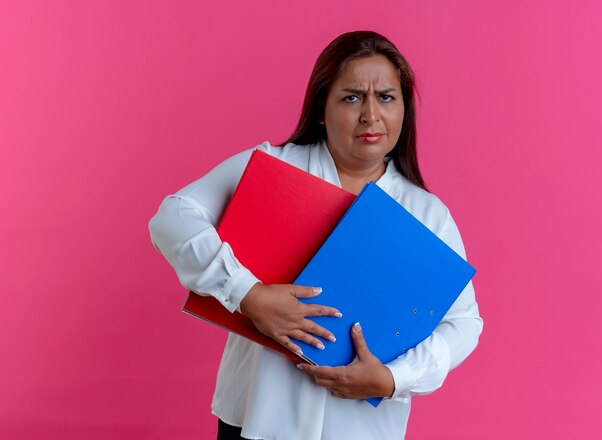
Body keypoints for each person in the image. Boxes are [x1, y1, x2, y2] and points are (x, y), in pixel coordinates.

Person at [149, 30, 483, 440]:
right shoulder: (271, 169)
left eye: (386, 97)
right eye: (352, 97)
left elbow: (464, 323)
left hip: (360, 427)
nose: (370, 115)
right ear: (321, 107)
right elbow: (174, 217)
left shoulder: (428, 215)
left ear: (404, 110)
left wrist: (393, 378)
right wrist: (248, 294)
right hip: (256, 415)